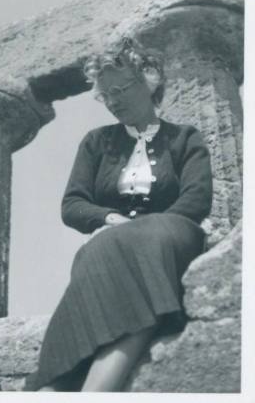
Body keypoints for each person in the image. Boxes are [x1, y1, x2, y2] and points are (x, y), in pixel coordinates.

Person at [25, 36, 213, 392]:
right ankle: (57, 382)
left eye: (121, 89)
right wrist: (112, 220)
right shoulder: (96, 142)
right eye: (105, 95)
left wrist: (144, 228)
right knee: (97, 249)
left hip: (171, 239)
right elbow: (73, 205)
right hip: (110, 243)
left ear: (149, 78)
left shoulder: (186, 138)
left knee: (146, 240)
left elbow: (196, 200)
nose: (113, 101)